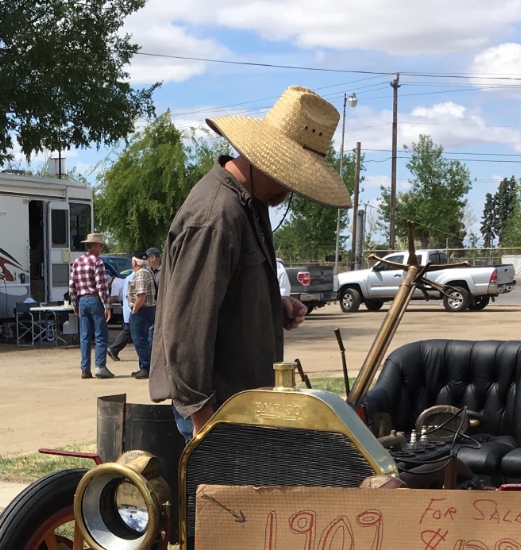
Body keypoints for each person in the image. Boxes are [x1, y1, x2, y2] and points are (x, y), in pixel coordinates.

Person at [148, 86, 351, 433]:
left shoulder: (248, 205)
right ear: (272, 164)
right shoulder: (216, 216)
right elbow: (185, 327)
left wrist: (272, 305)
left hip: (239, 407)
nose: (291, 190)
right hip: (217, 413)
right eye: (293, 179)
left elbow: (224, 294)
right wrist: (204, 423)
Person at [68, 231, 114, 379]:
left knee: (85, 335)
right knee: (100, 334)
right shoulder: (97, 262)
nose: (101, 249)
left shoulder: (77, 262)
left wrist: (75, 302)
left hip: (82, 300)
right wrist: (107, 306)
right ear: (94, 246)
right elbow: (101, 286)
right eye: (100, 246)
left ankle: (85, 368)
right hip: (95, 299)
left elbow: (71, 285)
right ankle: (100, 366)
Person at [126, 251, 157, 379]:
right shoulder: (149, 272)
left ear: (134, 262)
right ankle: (144, 366)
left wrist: (134, 310)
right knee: (145, 339)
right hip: (150, 309)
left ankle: (146, 367)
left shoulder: (140, 274)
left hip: (141, 310)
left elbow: (141, 295)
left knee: (139, 340)